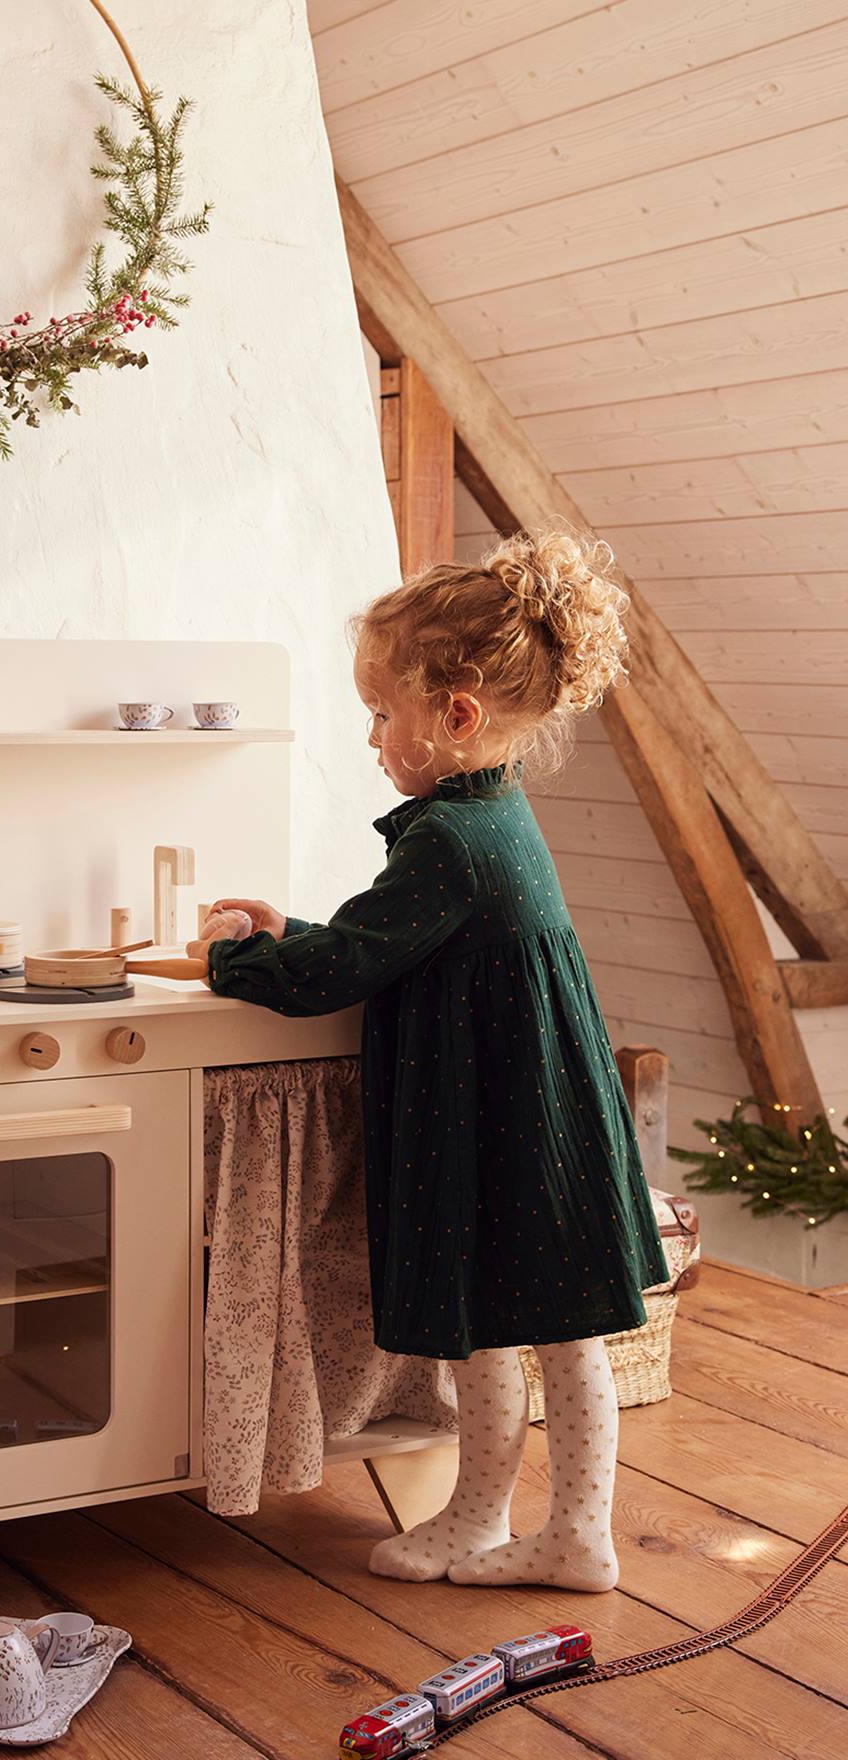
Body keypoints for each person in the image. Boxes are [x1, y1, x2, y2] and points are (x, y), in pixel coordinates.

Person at [191, 530, 668, 1593]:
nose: (370, 737)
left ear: (453, 715)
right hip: (543, 1113)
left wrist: (239, 956)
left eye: (381, 712)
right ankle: (550, 1524)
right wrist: (295, 923)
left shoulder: (445, 841)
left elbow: (347, 965)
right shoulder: (493, 818)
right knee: (560, 1330)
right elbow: (400, 936)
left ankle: (490, 1519)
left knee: (498, 1335)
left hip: (497, 1123)